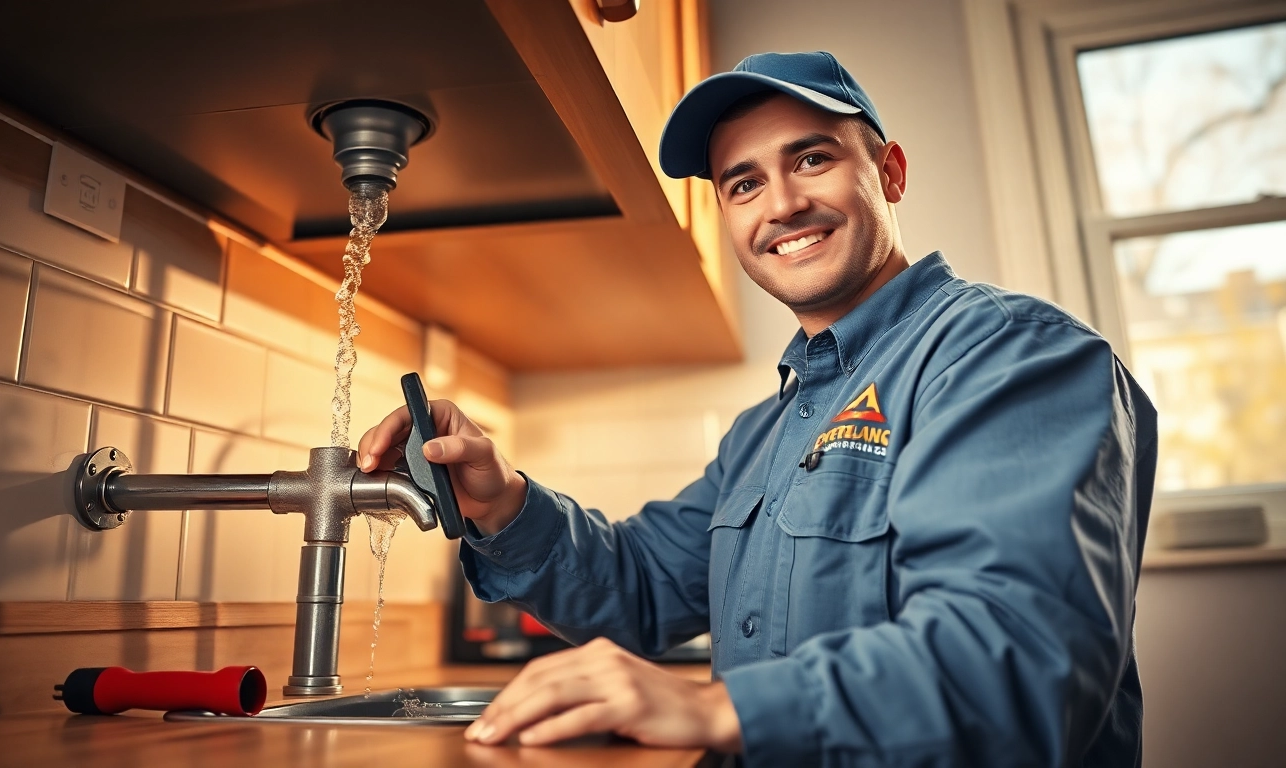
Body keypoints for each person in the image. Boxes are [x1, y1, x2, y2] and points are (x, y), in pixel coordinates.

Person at [358, 51, 1157, 767]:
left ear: (892, 172)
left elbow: (1020, 664)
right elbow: (640, 588)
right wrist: (502, 503)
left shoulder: (1012, 357)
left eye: (811, 159)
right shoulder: (767, 432)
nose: (780, 204)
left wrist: (716, 705)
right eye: (743, 183)